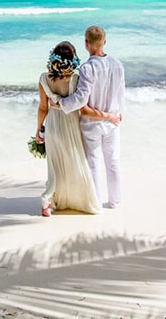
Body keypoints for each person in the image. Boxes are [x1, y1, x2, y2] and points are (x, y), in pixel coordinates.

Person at [36, 41, 121, 217]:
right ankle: (78, 199)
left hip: (52, 125)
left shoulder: (43, 78)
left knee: (54, 166)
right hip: (71, 126)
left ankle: (48, 202)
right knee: (74, 163)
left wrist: (39, 129)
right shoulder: (75, 79)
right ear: (73, 59)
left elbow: (43, 108)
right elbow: (80, 106)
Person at [53, 26, 125, 209]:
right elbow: (120, 93)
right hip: (112, 121)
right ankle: (115, 201)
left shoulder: (87, 68)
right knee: (113, 162)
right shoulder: (118, 64)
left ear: (86, 43)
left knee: (93, 163)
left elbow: (80, 99)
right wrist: (118, 113)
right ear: (104, 42)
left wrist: (60, 103)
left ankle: (96, 204)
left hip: (91, 123)